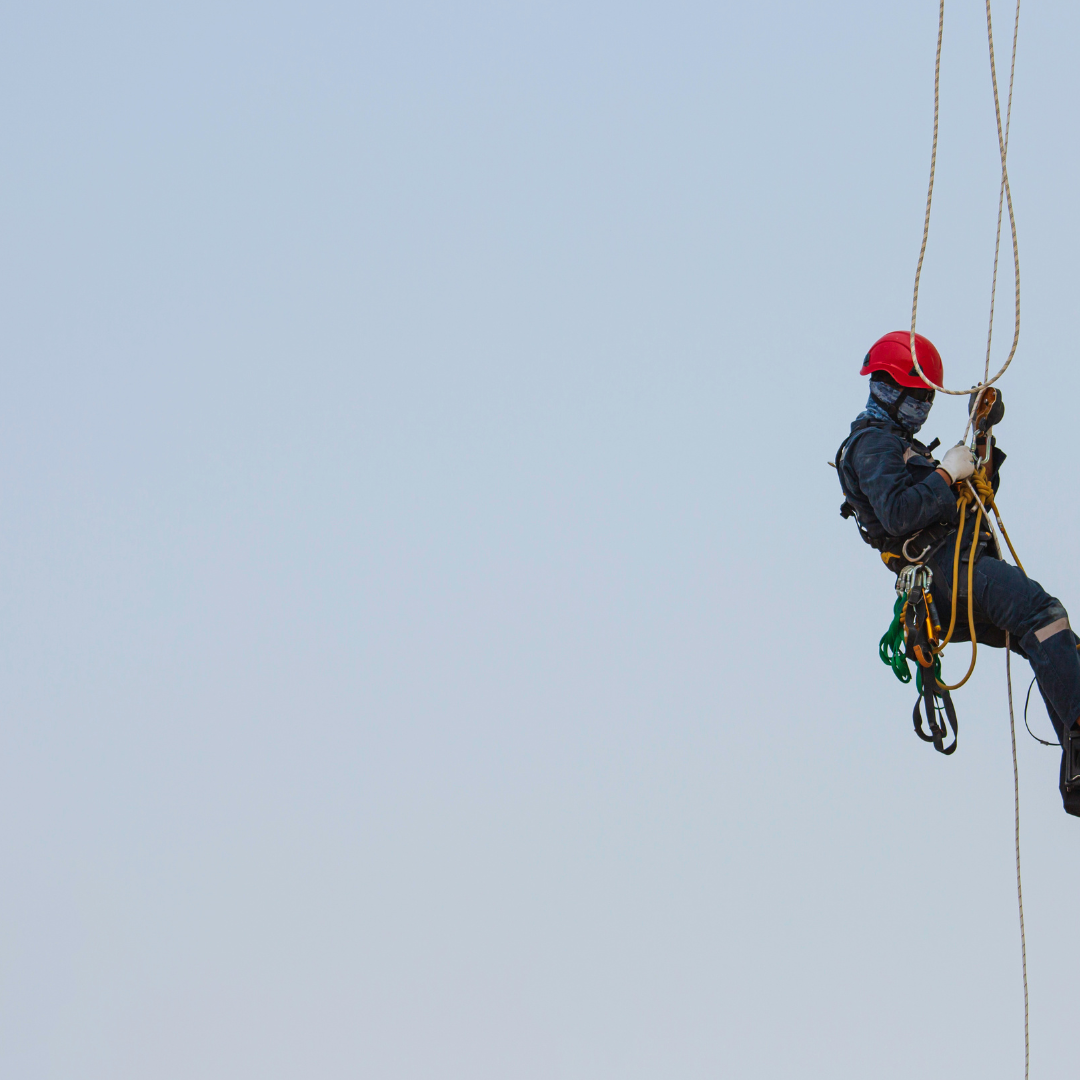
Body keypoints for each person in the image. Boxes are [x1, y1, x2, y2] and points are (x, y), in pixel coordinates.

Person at [836, 330, 1080, 816]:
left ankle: (1075, 770)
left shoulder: (901, 447)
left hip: (957, 569)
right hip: (943, 568)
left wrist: (981, 431)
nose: (923, 406)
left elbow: (976, 496)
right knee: (1041, 613)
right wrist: (946, 474)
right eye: (921, 396)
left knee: (1048, 642)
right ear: (899, 391)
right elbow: (901, 514)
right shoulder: (871, 444)